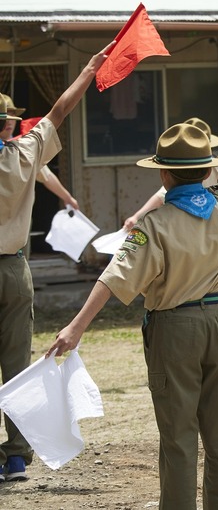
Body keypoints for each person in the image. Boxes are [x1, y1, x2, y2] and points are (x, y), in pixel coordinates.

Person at [46, 84, 218, 509]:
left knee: (178, 441)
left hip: (175, 330)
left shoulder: (152, 226)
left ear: (163, 174)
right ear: (206, 168)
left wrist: (75, 327)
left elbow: (112, 278)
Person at [0, 43, 112, 483]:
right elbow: (60, 111)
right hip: (13, 269)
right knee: (16, 360)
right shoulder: (25, 152)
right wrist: (87, 70)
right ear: (10, 124)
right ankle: (15, 455)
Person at [124, 117, 218, 230]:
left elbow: (160, 197)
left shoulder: (156, 223)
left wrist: (136, 217)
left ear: (165, 174)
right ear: (208, 172)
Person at [0, 94, 79, 210]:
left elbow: (46, 175)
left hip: (19, 219)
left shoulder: (22, 148)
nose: (9, 122)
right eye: (5, 118)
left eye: (12, 116)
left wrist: (67, 198)